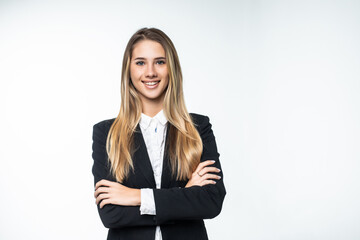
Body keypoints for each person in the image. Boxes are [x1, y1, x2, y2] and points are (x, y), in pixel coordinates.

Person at [91, 27, 226, 240]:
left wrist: (136, 197)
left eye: (160, 62)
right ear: (129, 70)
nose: (150, 72)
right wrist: (185, 196)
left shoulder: (198, 127)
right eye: (140, 62)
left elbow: (211, 201)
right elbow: (111, 215)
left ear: (171, 68)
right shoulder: (106, 133)